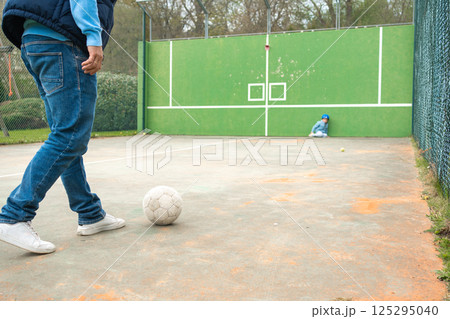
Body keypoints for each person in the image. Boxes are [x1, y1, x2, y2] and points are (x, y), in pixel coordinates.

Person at [0, 0, 124, 255]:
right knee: (69, 136)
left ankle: (89, 213)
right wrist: (93, 35)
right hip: (61, 42)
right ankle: (14, 214)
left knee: (65, 134)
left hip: (35, 40)